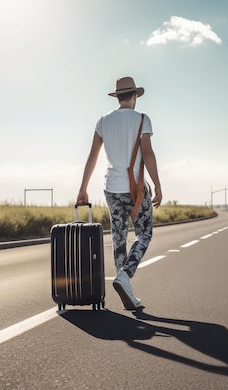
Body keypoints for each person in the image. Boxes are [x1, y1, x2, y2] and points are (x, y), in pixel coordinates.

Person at [77, 76, 162, 310]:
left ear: (118, 97)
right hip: (135, 189)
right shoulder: (142, 119)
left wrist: (83, 188)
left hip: (111, 188)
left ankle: (126, 290)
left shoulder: (103, 121)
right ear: (134, 96)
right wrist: (158, 185)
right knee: (144, 234)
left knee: (118, 238)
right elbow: (148, 154)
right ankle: (125, 275)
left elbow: (92, 156)